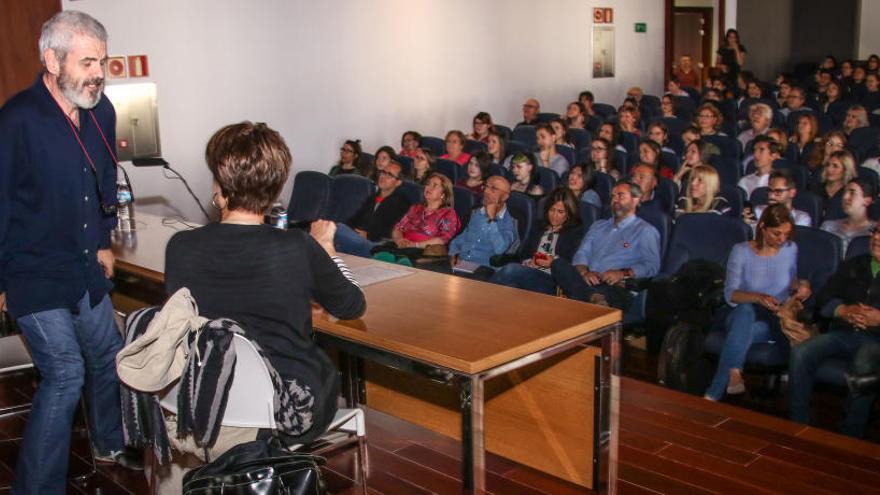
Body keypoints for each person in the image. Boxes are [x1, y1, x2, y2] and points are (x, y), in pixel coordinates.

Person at [164, 122, 366, 489]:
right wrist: (327, 252)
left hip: (204, 403)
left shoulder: (180, 247)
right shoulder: (297, 247)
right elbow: (352, 304)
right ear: (276, 187)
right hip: (287, 412)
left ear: (219, 186)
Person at [0, 11, 145, 492]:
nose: (98, 72)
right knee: (65, 373)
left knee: (108, 352)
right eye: (87, 62)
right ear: (51, 59)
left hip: (83, 264)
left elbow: (103, 176)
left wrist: (104, 239)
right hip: (32, 270)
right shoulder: (17, 119)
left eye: (102, 61)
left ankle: (109, 442)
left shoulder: (101, 110)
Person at [705, 204, 810, 401]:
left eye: (786, 234)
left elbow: (792, 281)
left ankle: (715, 392)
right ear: (762, 228)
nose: (782, 239)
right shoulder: (741, 251)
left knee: (746, 333)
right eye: (776, 233)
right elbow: (731, 294)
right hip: (737, 312)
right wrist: (758, 297)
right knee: (745, 311)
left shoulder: (790, 249)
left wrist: (803, 285)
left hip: (772, 317)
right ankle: (732, 373)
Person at [789, 225, 880, 438]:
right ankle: (797, 425)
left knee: (865, 360)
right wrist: (844, 310)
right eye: (875, 232)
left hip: (876, 341)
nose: (876, 237)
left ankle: (851, 435)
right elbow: (823, 299)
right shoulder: (854, 265)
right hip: (843, 333)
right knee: (801, 352)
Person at [551, 180, 661, 309]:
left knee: (583, 293)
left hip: (615, 286)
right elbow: (582, 254)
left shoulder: (645, 231)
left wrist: (622, 273)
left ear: (635, 200)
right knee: (557, 264)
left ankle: (589, 297)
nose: (615, 199)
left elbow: (651, 265)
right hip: (586, 280)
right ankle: (592, 297)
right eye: (613, 196)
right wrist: (584, 272)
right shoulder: (598, 225)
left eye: (620, 195)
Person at [490, 188, 585, 295]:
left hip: (551, 280)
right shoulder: (539, 227)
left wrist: (550, 262)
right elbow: (524, 254)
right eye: (552, 210)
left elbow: (569, 263)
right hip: (529, 273)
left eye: (560, 212)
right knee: (510, 287)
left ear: (568, 213)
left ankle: (482, 295)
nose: (554, 215)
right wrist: (528, 261)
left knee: (511, 270)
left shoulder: (573, 233)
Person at [334, 160, 411, 257]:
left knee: (337, 229)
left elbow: (394, 230)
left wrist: (368, 235)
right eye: (383, 172)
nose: (383, 176)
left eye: (390, 175)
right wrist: (350, 229)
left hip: (377, 245)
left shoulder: (401, 203)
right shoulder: (373, 197)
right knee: (336, 239)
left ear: (398, 182)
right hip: (360, 239)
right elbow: (355, 218)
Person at [448, 176, 518, 276]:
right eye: (486, 186)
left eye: (493, 188)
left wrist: (492, 220)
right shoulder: (477, 213)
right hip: (461, 263)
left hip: (484, 268)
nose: (486, 191)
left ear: (505, 197)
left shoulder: (510, 221)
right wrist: (453, 254)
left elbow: (500, 249)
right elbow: (461, 238)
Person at [392, 173, 461, 249]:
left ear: (443, 194)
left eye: (435, 186)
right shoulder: (415, 208)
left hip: (424, 251)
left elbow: (443, 239)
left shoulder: (448, 213)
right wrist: (399, 240)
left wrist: (415, 245)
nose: (429, 188)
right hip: (402, 246)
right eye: (428, 184)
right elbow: (398, 228)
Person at [820, 179, 876, 258]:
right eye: (844, 193)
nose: (845, 197)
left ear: (867, 201)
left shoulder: (876, 231)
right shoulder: (828, 226)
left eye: (852, 193)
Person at [743, 169, 812, 228]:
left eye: (778, 191)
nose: (771, 196)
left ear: (792, 193)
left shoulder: (801, 219)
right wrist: (747, 227)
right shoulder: (758, 212)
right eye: (770, 191)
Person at [810, 149, 856, 221]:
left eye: (835, 166)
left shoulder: (848, 194)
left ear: (845, 170)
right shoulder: (815, 189)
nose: (829, 169)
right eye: (827, 165)